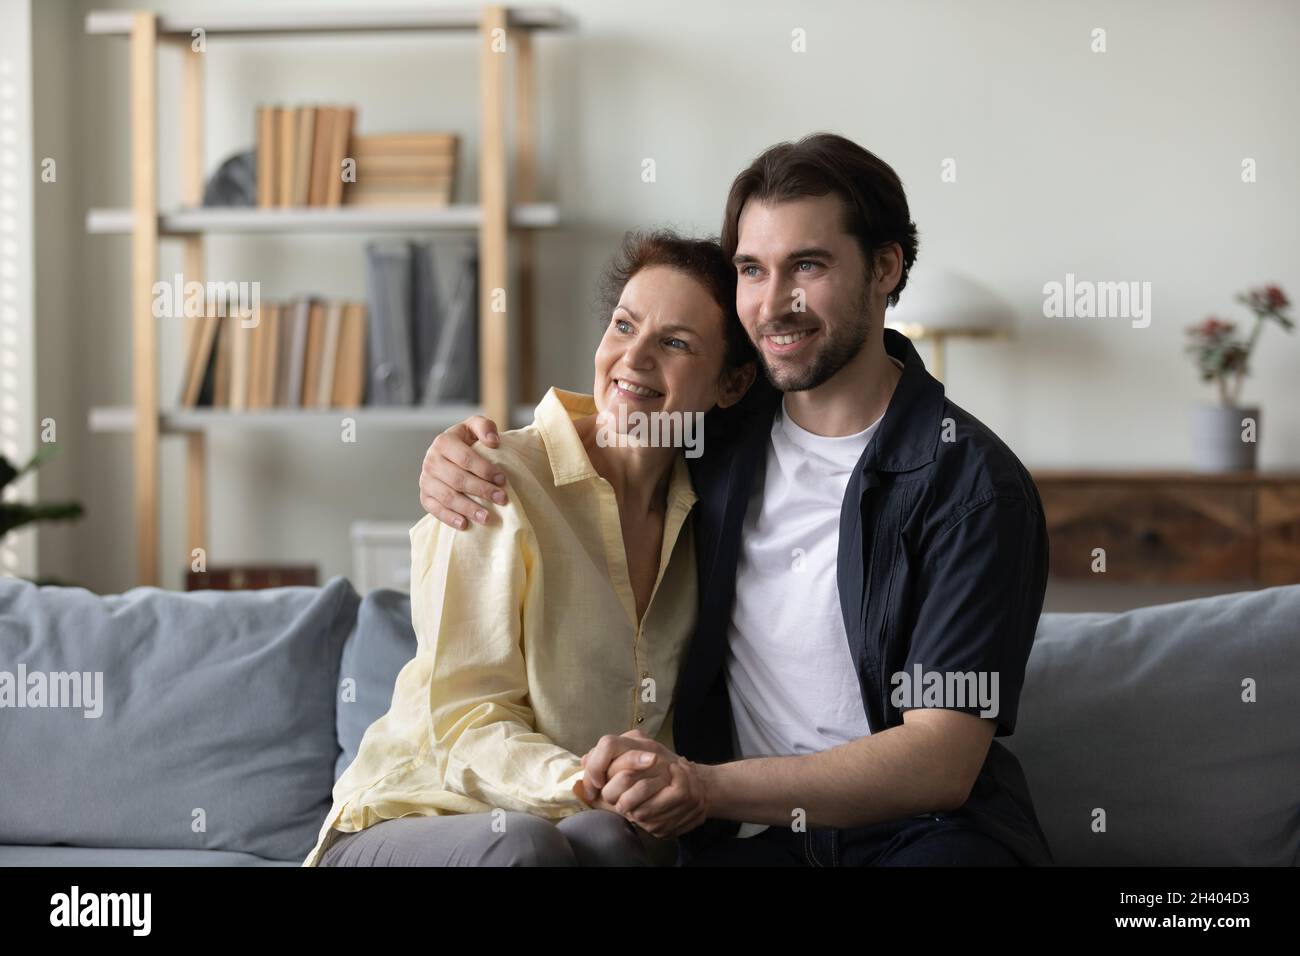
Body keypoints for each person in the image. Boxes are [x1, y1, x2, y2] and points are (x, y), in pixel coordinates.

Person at [417, 132, 1055, 866]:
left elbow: (941, 762)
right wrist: (460, 454)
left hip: (921, 839)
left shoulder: (972, 487)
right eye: (752, 269)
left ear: (885, 268)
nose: (774, 303)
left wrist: (707, 787)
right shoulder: (714, 438)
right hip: (748, 847)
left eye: (807, 266)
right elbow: (617, 408)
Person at [303, 230, 755, 867]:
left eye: (675, 342)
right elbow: (463, 724)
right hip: (412, 813)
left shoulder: (710, 516)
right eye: (624, 326)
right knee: (525, 844)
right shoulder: (491, 477)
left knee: (613, 845)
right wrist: (583, 783)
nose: (634, 358)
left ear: (730, 385)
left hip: (578, 823)